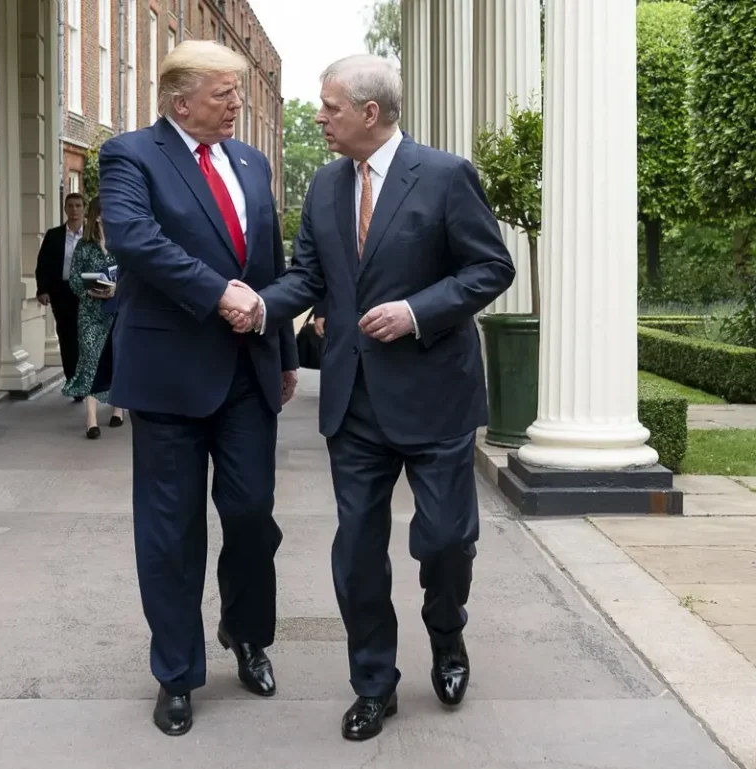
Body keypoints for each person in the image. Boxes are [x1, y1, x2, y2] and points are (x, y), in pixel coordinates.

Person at [224, 54, 516, 741]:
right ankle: (373, 683)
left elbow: (490, 266)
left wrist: (417, 311)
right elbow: (307, 278)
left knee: (445, 540)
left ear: (370, 114)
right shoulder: (325, 185)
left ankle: (447, 633)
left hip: (436, 394)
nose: (318, 117)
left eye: (328, 107)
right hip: (354, 402)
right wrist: (258, 308)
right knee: (356, 548)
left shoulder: (444, 176)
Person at [98, 39, 299, 736]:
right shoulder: (130, 155)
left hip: (248, 369)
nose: (237, 106)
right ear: (180, 99)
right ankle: (176, 672)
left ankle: (247, 634)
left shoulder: (250, 161)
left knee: (251, 514)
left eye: (239, 93)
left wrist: (286, 349)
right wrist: (218, 295)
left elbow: (268, 260)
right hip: (168, 374)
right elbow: (132, 239)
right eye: (224, 95)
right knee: (169, 530)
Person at [60, 196, 125, 437]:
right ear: (98, 216)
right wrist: (96, 287)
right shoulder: (84, 246)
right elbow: (75, 279)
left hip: (116, 313)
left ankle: (118, 409)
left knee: (116, 359)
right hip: (89, 313)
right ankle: (91, 420)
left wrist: (117, 288)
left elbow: (132, 275)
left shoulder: (122, 245)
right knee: (89, 359)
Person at [35, 193, 85, 399]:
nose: (74, 210)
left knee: (85, 336)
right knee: (67, 336)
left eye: (78, 206)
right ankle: (73, 379)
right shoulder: (54, 235)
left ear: (84, 209)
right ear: (65, 209)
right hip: (62, 292)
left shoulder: (92, 235)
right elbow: (43, 264)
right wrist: (43, 290)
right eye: (70, 206)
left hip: (87, 293)